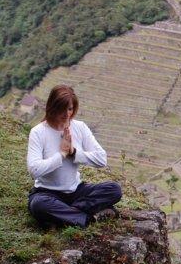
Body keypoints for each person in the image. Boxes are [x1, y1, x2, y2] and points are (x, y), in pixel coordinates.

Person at [26, 84, 122, 228]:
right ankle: (88, 218)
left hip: (76, 191)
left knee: (114, 189)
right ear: (53, 107)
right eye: (62, 109)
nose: (66, 114)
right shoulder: (38, 132)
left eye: (70, 109)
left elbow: (102, 159)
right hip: (47, 192)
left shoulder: (79, 127)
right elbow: (34, 170)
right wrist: (62, 154)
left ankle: (67, 215)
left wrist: (74, 152)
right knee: (38, 205)